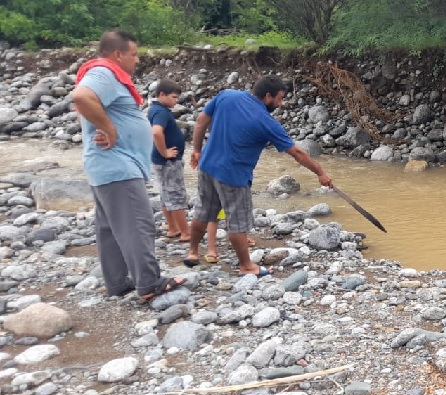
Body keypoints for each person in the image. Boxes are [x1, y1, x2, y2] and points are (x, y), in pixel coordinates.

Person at [71, 29, 185, 301]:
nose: (137, 61)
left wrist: (104, 127)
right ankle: (149, 283)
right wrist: (109, 128)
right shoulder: (104, 73)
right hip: (119, 166)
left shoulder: (105, 76)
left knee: (110, 228)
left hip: (106, 167)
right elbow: (81, 97)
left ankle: (118, 283)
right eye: (133, 55)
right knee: (137, 223)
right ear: (117, 54)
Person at [183, 75, 333, 276]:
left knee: (203, 213)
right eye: (279, 99)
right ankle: (246, 266)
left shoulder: (227, 96)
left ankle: (193, 253)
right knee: (237, 223)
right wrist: (321, 173)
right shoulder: (266, 122)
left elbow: (201, 121)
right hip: (234, 176)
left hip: (208, 167)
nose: (280, 104)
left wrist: (197, 150)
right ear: (268, 96)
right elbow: (297, 152)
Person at [149, 79, 190, 242]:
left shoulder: (156, 109)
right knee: (176, 195)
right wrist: (165, 152)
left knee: (166, 194)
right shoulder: (161, 112)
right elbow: (157, 132)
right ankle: (186, 232)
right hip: (168, 162)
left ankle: (173, 228)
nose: (176, 100)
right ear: (161, 95)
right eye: (174, 97)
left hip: (160, 161)